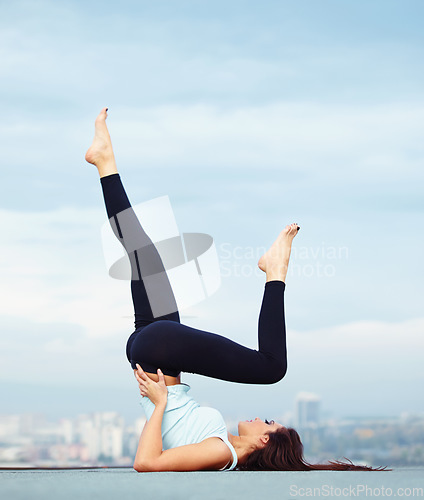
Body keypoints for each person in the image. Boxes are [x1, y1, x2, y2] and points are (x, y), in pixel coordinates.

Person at [85, 108, 388, 472]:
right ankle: (105, 161)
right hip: (154, 355)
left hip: (157, 350)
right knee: (141, 252)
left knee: (272, 368)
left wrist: (161, 403)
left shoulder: (223, 452)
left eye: (270, 424)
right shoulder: (224, 445)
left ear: (264, 440)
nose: (265, 420)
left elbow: (147, 463)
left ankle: (275, 273)